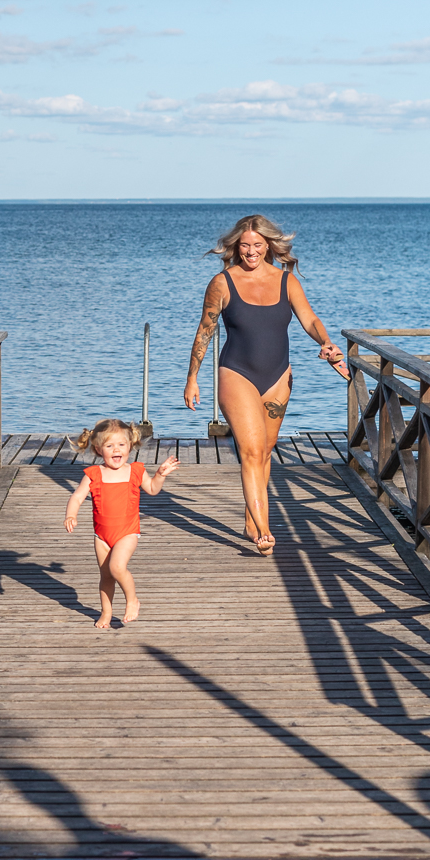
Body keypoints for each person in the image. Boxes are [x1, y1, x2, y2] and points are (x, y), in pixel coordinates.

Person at [183, 214, 350, 555]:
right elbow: (205, 330)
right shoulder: (222, 282)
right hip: (236, 373)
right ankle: (263, 529)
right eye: (244, 245)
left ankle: (249, 518)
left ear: (270, 246)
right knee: (251, 452)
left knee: (265, 451)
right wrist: (192, 378)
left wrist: (326, 342)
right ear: (235, 247)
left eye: (258, 245)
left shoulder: (286, 281)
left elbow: (310, 318)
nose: (251, 251)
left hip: (278, 377)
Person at [64, 419, 179, 628]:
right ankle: (106, 613)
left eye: (121, 445)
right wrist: (71, 515)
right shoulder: (94, 474)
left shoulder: (135, 471)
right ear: (99, 450)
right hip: (102, 536)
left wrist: (160, 475)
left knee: (117, 567)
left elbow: (152, 489)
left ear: (130, 445)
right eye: (109, 446)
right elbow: (78, 497)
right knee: (106, 576)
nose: (116, 450)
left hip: (127, 532)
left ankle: (132, 599)